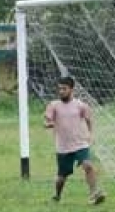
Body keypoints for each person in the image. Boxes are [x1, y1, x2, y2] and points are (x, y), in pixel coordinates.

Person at [45, 76, 106, 205]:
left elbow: (89, 120)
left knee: (88, 165)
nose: (61, 91)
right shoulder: (54, 105)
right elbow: (48, 118)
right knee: (62, 177)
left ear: (72, 90)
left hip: (80, 143)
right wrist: (49, 124)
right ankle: (57, 195)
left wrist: (90, 134)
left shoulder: (80, 105)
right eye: (59, 89)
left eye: (64, 89)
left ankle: (94, 194)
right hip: (63, 147)